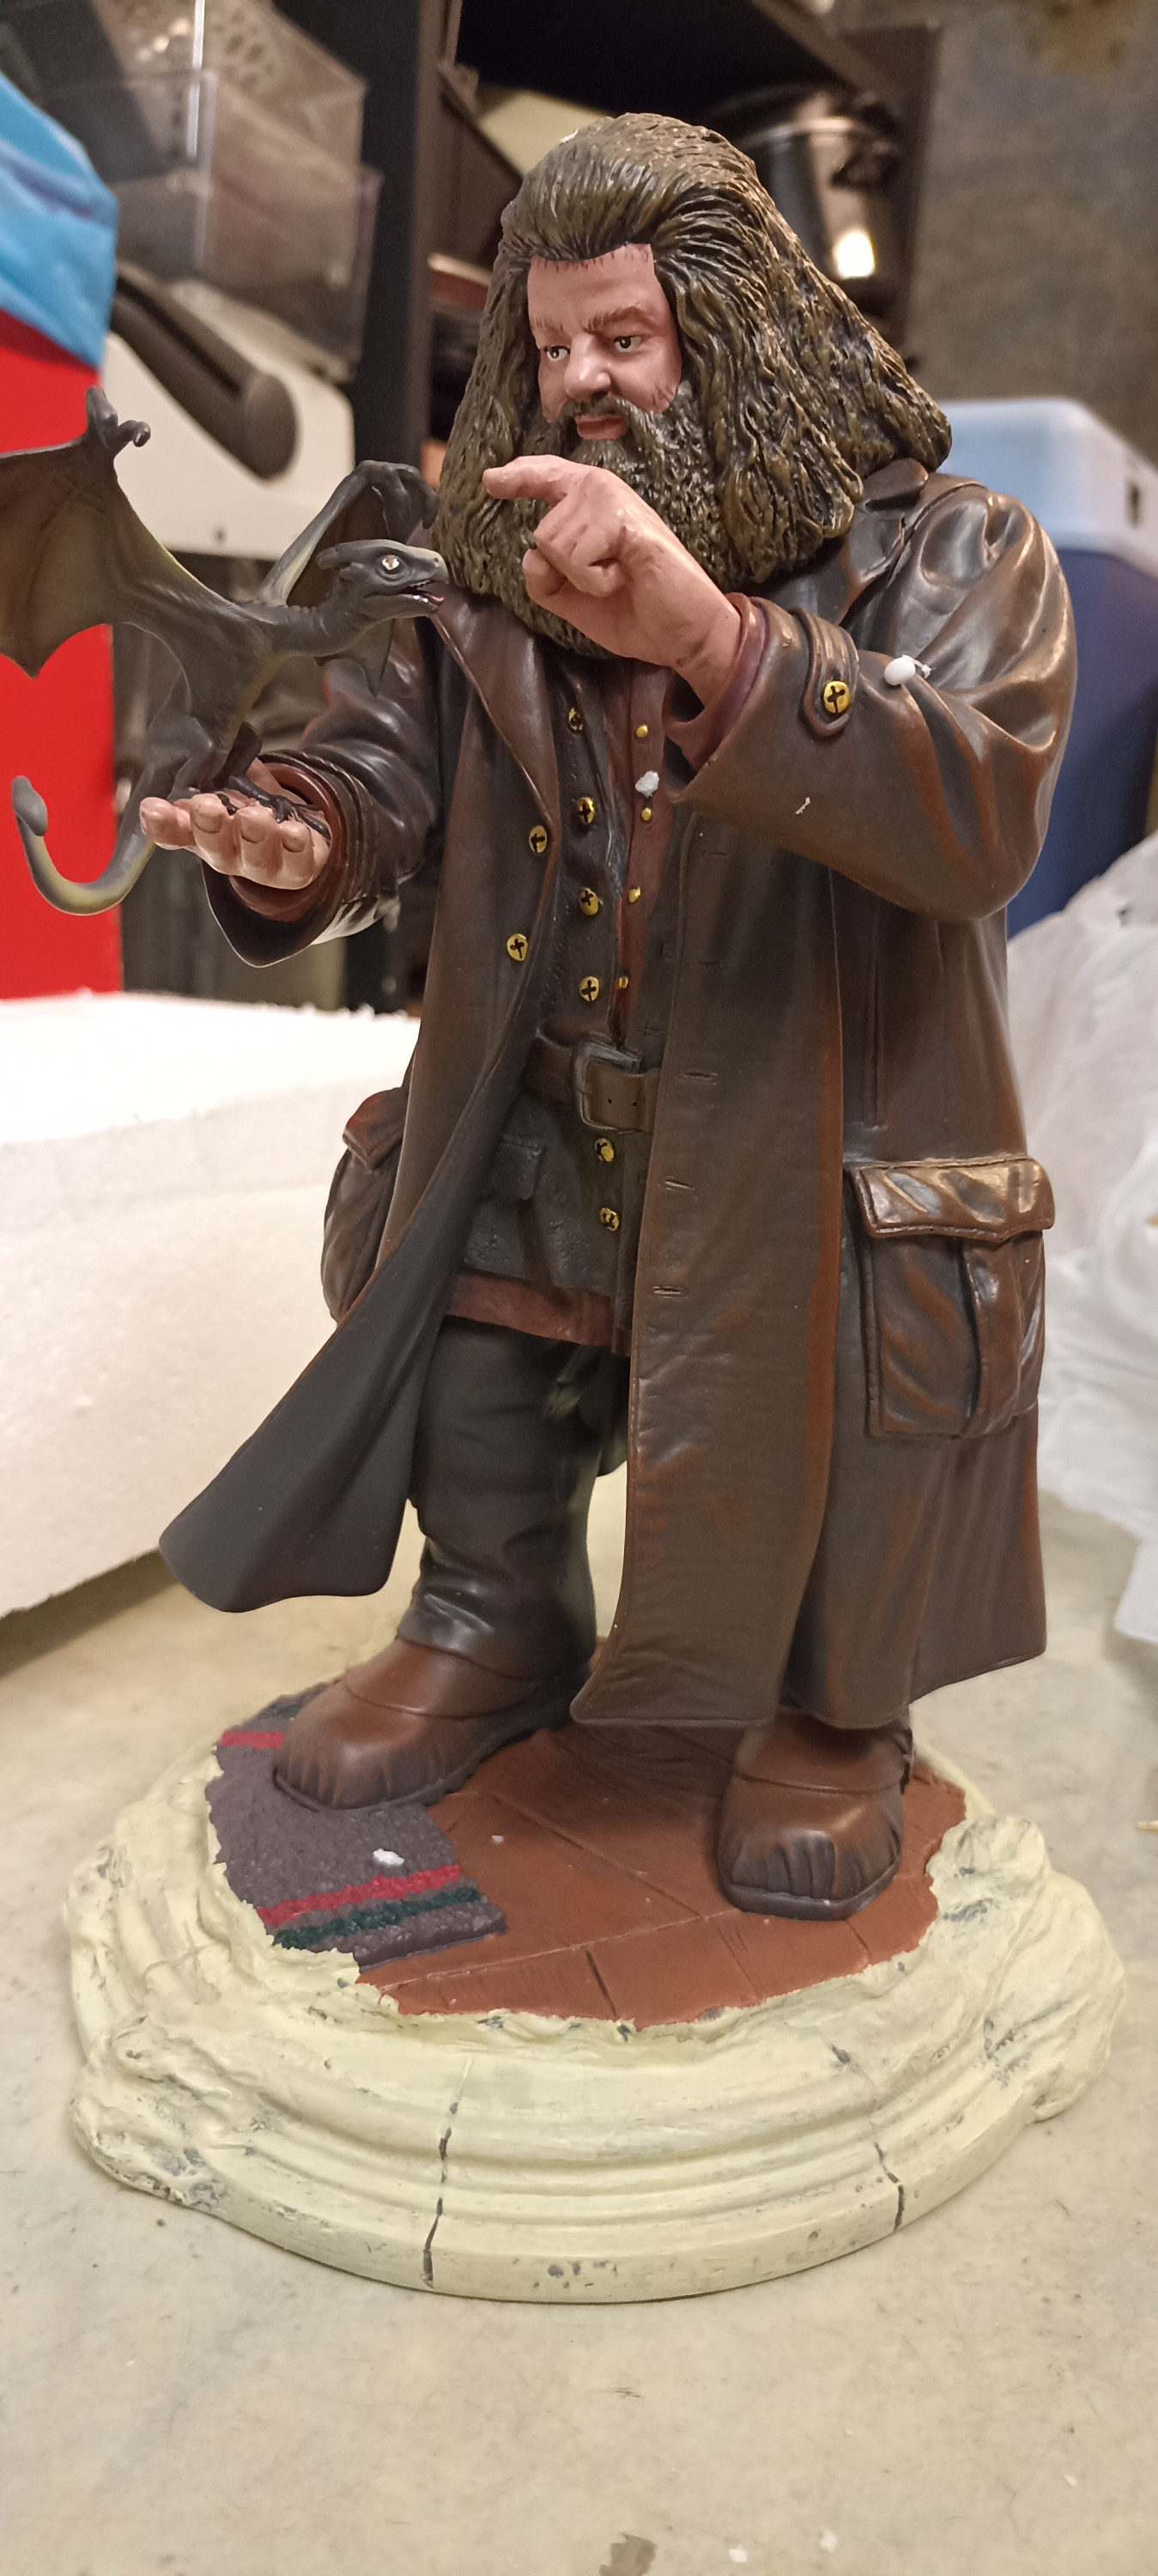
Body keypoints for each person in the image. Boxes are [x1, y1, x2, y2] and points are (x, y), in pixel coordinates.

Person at [149, 115, 1076, 1922]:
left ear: (730, 331)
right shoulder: (480, 582)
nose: (581, 380)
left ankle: (832, 1707)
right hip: (540, 1108)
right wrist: (301, 836)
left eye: (624, 338)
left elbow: (979, 819)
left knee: (829, 1429)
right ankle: (491, 1621)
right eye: (552, 342)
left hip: (817, 1138)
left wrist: (718, 646)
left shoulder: (957, 552)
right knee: (487, 1364)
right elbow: (378, 766)